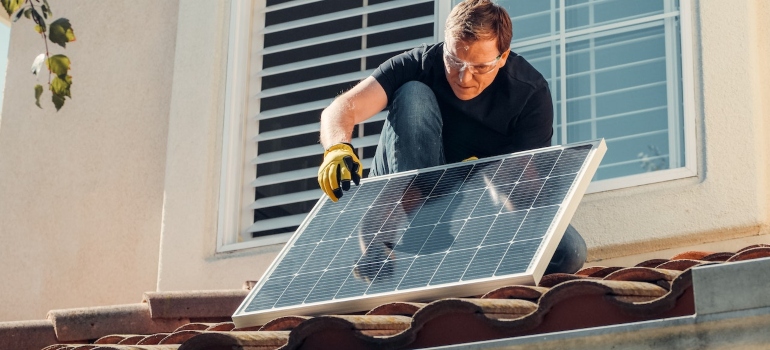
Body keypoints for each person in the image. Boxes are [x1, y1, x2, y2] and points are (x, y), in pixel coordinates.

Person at [317, 0, 586, 274]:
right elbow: (342, 108)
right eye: (454, 60)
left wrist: (488, 178)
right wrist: (337, 149)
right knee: (413, 94)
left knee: (567, 252)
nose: (464, 77)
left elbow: (527, 198)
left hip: (475, 207)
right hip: (408, 194)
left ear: (502, 57)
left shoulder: (529, 94)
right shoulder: (419, 63)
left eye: (480, 67)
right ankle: (411, 226)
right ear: (445, 45)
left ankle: (458, 247)